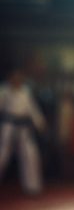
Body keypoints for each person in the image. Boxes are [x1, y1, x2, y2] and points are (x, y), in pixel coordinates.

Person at [0, 67, 46, 195]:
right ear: (10, 77)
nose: (18, 79)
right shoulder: (3, 91)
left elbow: (32, 109)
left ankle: (33, 187)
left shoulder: (25, 91)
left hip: (24, 128)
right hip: (8, 126)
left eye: (20, 77)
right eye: (15, 76)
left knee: (30, 156)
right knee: (2, 155)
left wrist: (39, 123)